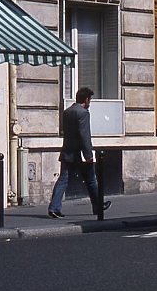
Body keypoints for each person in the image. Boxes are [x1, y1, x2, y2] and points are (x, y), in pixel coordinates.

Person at [47, 87, 111, 218]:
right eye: (89, 100)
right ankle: (98, 205)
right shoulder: (83, 113)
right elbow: (84, 135)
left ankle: (54, 207)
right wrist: (89, 155)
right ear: (86, 99)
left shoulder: (67, 112)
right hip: (80, 154)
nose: (90, 103)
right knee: (91, 180)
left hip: (68, 152)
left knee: (63, 180)